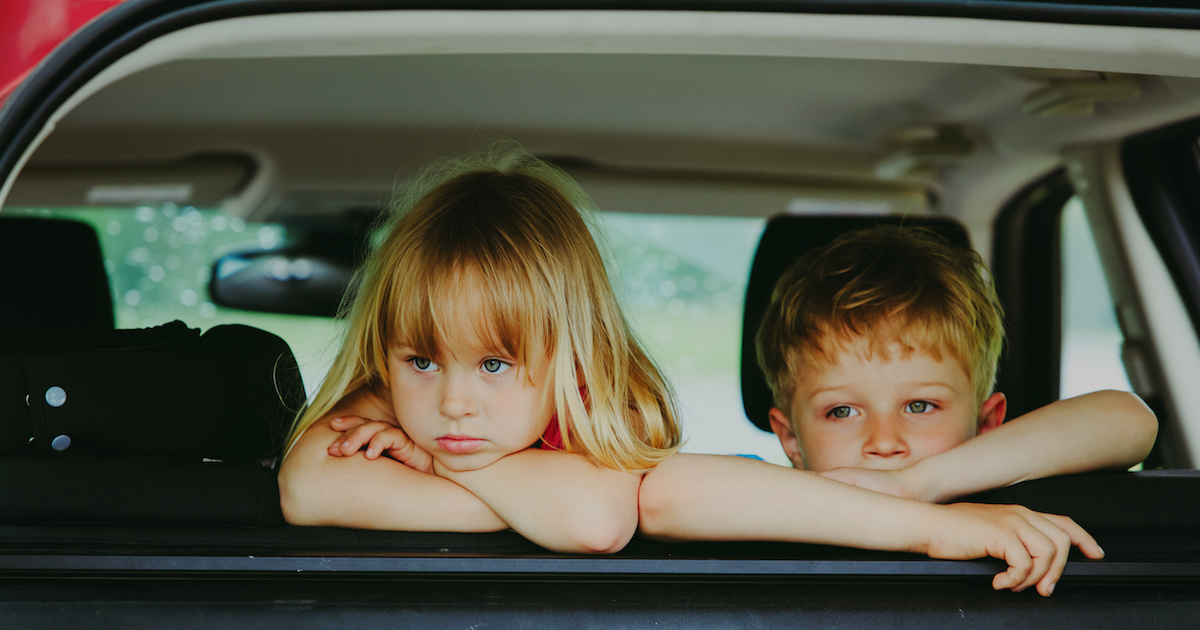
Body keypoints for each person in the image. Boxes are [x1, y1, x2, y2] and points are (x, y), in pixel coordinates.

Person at [277, 146, 1103, 596]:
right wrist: (498, 478)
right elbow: (307, 490)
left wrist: (926, 497)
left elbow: (1129, 417)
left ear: (576, 362)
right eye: (420, 359)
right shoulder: (384, 410)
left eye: (496, 361)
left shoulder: (598, 424)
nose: (453, 401)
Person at [637, 225, 1156, 597]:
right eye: (841, 411)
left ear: (988, 422)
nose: (884, 440)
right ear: (790, 439)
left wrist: (917, 485)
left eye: (920, 405)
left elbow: (1129, 418)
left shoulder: (1002, 500)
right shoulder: (764, 501)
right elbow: (665, 492)